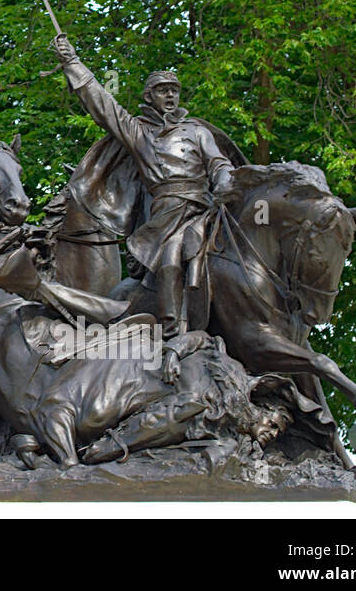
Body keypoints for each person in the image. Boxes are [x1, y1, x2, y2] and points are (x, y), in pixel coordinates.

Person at [50, 33, 233, 382]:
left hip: (204, 207)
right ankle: (171, 331)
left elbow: (218, 163)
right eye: (163, 90)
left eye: (174, 90)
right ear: (149, 96)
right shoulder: (139, 133)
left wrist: (224, 180)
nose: (170, 96)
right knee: (171, 254)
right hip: (165, 216)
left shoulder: (196, 131)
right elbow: (103, 105)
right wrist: (71, 62)